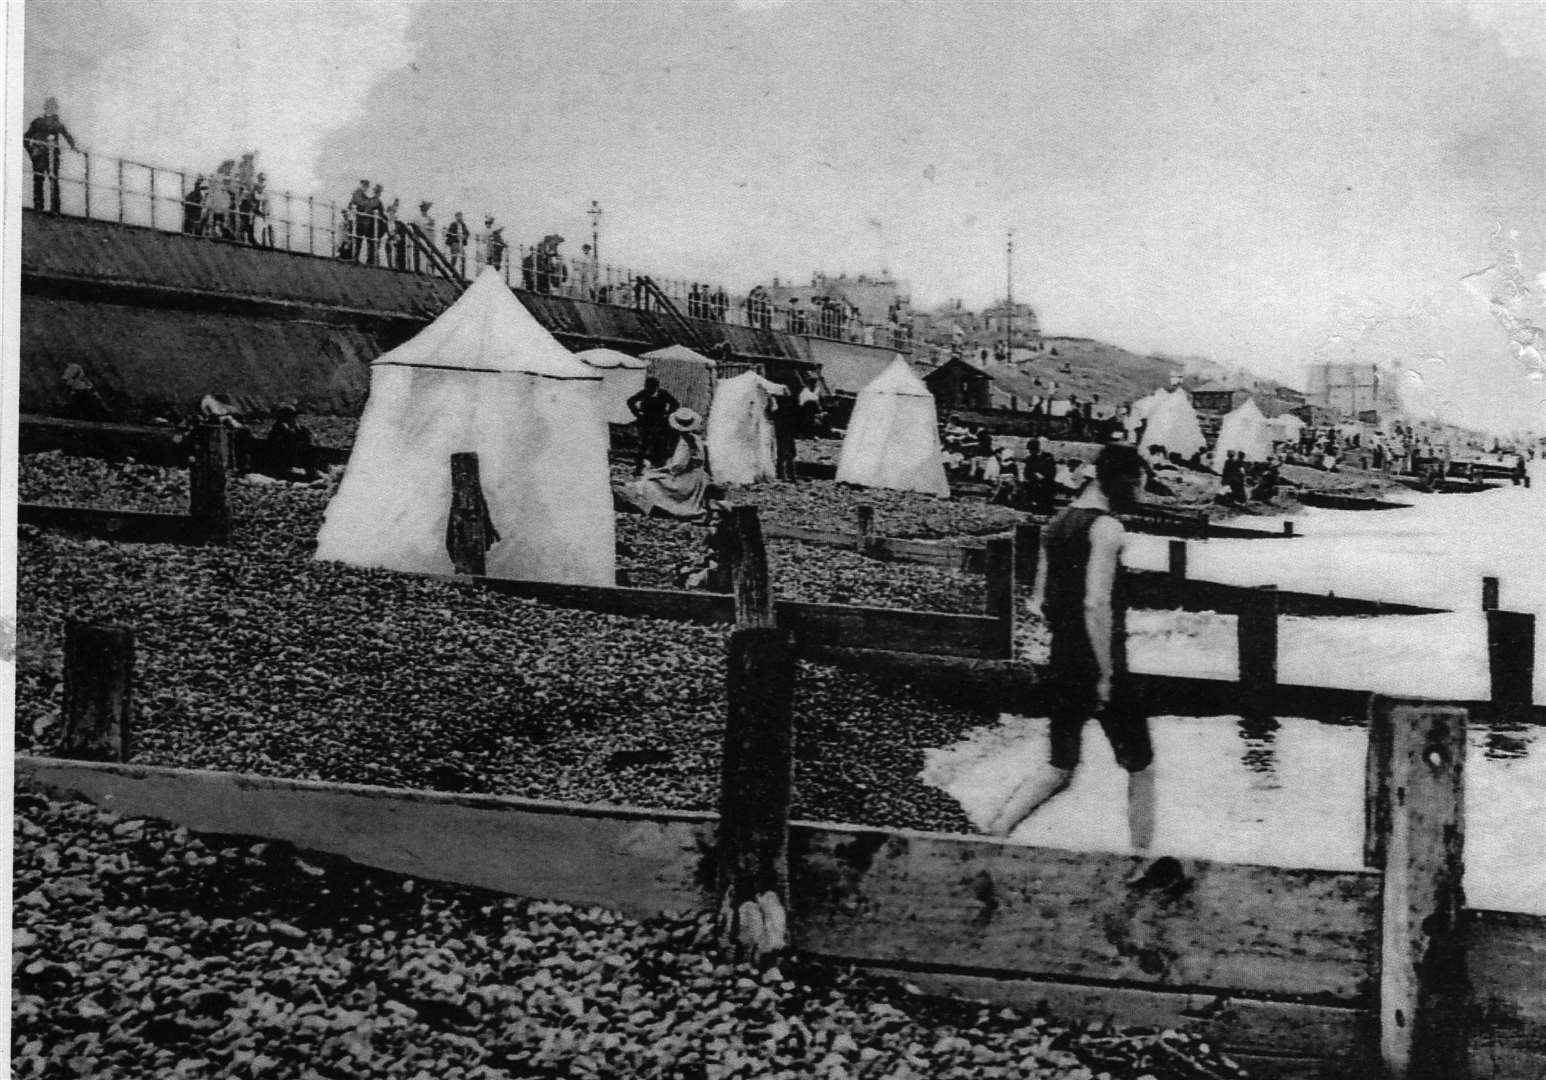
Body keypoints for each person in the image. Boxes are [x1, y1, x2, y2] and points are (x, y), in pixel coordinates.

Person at [986, 444, 1155, 850]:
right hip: (1099, 661)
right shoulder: (1107, 528)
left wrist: (1065, 645)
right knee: (1140, 765)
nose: (1137, 495)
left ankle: (995, 833)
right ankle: (1141, 858)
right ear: (1119, 479)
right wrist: (1106, 674)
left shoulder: (1057, 523)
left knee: (1059, 764)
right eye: (1136, 486)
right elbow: (1096, 603)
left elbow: (1042, 598)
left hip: (1061, 656)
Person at [625, 408, 711, 519]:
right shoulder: (696, 439)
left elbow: (677, 466)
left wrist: (658, 470)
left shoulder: (684, 443)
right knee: (653, 476)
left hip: (686, 480)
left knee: (651, 482)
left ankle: (666, 508)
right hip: (698, 478)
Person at [24, 97, 78, 213]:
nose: (51, 109)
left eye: (53, 107)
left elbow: (67, 135)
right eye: (49, 106)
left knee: (53, 180)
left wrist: (73, 146)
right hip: (39, 155)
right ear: (46, 107)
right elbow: (26, 138)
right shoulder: (38, 122)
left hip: (53, 155)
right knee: (39, 179)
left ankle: (55, 209)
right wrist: (31, 152)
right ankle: (39, 207)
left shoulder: (57, 124)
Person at [626, 376, 680, 474]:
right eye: (648, 387)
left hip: (660, 421)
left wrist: (668, 414)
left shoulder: (663, 394)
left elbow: (675, 404)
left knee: (660, 444)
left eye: (652, 388)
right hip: (646, 421)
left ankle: (660, 466)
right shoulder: (644, 393)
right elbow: (630, 401)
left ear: (656, 387)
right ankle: (639, 468)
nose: (650, 390)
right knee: (643, 445)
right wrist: (637, 414)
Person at [770, 384, 800, 481]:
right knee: (785, 453)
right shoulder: (786, 406)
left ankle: (787, 474)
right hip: (785, 430)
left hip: (785, 430)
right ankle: (786, 475)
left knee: (786, 452)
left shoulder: (781, 407)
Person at [444, 212, 469, 277]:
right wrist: (455, 235)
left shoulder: (463, 225)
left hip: (460, 243)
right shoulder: (453, 224)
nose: (460, 218)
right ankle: (452, 273)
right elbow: (448, 233)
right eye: (458, 216)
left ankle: (462, 276)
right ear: (456, 217)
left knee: (463, 257)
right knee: (454, 257)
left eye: (461, 216)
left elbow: (467, 233)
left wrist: (465, 236)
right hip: (454, 242)